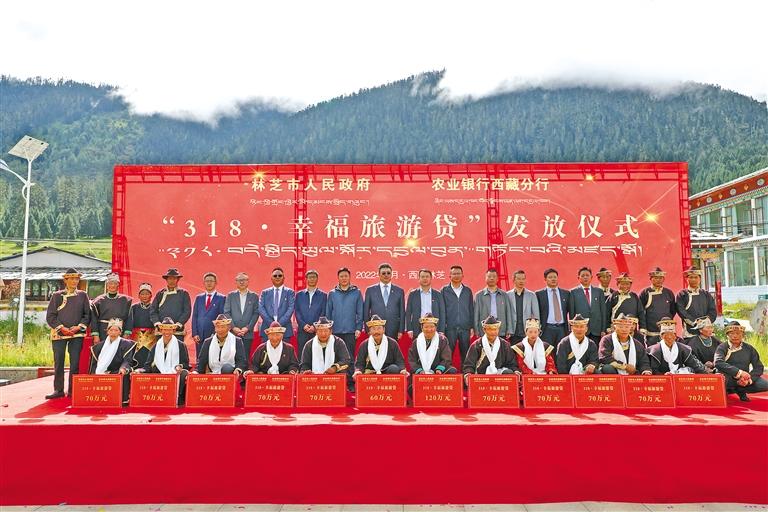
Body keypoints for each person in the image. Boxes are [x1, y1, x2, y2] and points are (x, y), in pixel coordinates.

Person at [45, 268, 91, 399]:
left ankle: (73, 390)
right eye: (71, 279)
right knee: (59, 362)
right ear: (65, 280)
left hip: (77, 334)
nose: (74, 281)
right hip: (59, 333)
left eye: (76, 279)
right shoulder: (57, 296)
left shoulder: (83, 295)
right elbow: (51, 316)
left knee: (75, 363)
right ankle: (58, 390)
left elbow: (87, 315)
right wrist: (62, 328)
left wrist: (78, 327)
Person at [325, 267, 364, 389]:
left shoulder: (356, 293)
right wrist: (328, 329)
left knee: (350, 357)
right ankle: (338, 382)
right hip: (335, 331)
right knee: (336, 357)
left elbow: (360, 312)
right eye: (341, 276)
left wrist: (358, 328)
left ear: (349, 277)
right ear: (338, 278)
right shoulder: (332, 293)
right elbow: (328, 313)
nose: (344, 278)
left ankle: (350, 383)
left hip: (350, 331)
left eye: (346, 276)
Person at [139, 317, 190, 405]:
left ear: (173, 331)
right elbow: (148, 365)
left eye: (169, 330)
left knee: (184, 373)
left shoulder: (181, 345)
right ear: (161, 331)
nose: (167, 332)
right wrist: (139, 371)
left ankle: (177, 396)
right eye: (165, 330)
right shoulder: (156, 345)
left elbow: (186, 364)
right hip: (159, 372)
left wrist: (179, 366)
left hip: (175, 371)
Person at [714, 321, 768, 401]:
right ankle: (727, 390)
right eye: (732, 333)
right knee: (721, 378)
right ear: (727, 335)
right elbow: (718, 362)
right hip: (728, 378)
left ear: (743, 335)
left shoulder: (749, 348)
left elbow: (759, 367)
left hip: (743, 379)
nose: (735, 336)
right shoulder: (722, 347)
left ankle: (741, 390)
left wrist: (749, 380)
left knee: (765, 385)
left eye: (738, 333)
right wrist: (739, 372)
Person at [88, 318, 136, 404]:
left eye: (116, 330)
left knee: (125, 373)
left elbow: (127, 360)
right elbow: (94, 364)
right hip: (102, 371)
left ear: (120, 332)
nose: (113, 332)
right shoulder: (98, 347)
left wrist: (123, 368)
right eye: (111, 330)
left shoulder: (126, 344)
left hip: (117, 370)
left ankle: (123, 399)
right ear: (107, 332)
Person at [462, 315, 518, 381]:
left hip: (499, 377)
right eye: (490, 329)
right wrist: (468, 374)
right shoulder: (476, 345)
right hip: (481, 377)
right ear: (484, 330)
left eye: (495, 329)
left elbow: (511, 363)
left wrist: (515, 371)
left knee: (508, 373)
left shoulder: (505, 345)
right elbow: (469, 364)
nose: (493, 332)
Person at [440, 265, 474, 364]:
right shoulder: (444, 290)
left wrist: (471, 326)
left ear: (462, 275)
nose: (456, 275)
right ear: (449, 276)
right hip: (450, 327)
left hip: (465, 327)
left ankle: (465, 372)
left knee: (466, 353)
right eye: (454, 274)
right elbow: (442, 310)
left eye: (458, 273)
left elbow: (470, 309)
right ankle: (447, 371)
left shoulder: (467, 291)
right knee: (447, 353)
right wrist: (442, 327)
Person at [363, 263, 406, 341]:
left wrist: (401, 330)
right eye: (383, 273)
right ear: (379, 274)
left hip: (394, 329)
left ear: (391, 274)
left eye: (388, 273)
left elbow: (402, 312)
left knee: (392, 348)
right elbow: (366, 312)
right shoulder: (370, 290)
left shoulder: (399, 291)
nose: (386, 275)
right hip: (375, 328)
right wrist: (367, 329)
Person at [223, 272, 260, 361]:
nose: (242, 282)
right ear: (236, 282)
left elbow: (256, 313)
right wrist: (233, 327)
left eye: (244, 280)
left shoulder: (254, 296)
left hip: (247, 333)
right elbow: (226, 312)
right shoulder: (231, 296)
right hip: (233, 333)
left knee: (245, 358)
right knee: (232, 358)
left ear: (248, 281)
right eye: (239, 280)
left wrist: (247, 328)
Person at [567, 266, 607, 344]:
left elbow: (603, 311)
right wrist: (572, 329)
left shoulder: (599, 292)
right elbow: (572, 313)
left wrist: (603, 329)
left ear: (591, 277)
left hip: (596, 329)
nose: (585, 277)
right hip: (580, 329)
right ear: (578, 278)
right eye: (583, 275)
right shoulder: (573, 292)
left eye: (587, 275)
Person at [676, 266, 716, 341]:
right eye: (691, 277)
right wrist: (695, 322)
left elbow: (712, 310)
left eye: (696, 277)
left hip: (706, 331)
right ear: (687, 279)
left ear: (700, 279)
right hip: (690, 332)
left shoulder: (706, 294)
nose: (693, 279)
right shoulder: (682, 294)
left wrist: (705, 323)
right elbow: (681, 311)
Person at [638, 267, 677, 346]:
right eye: (656, 278)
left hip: (666, 329)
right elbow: (640, 312)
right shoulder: (645, 293)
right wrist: (643, 327)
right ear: (651, 279)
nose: (659, 280)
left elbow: (673, 310)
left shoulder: (669, 292)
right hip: (651, 330)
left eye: (661, 278)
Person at [149, 268, 192, 340]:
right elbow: (153, 310)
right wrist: (157, 323)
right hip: (162, 330)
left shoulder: (184, 293)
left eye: (174, 278)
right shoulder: (160, 293)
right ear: (166, 279)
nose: (172, 281)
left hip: (177, 331)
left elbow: (187, 311)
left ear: (177, 280)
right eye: (170, 278)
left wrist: (178, 324)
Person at [89, 272, 132, 342]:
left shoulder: (126, 300)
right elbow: (94, 319)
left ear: (118, 285)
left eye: (115, 283)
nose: (113, 286)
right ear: (107, 285)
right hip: (103, 332)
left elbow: (129, 318)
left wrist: (126, 333)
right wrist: (96, 335)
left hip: (120, 331)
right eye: (110, 283)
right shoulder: (98, 301)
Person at [294, 269, 328, 357]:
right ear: (306, 279)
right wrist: (303, 325)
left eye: (314, 277)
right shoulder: (299, 295)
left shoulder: (323, 295)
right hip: (302, 330)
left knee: (317, 355)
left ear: (317, 279)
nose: (312, 279)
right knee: (302, 354)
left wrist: (315, 326)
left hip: (317, 331)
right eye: (310, 277)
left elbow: (323, 312)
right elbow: (297, 312)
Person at [474, 268, 513, 339]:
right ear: (485, 278)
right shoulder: (479, 295)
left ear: (497, 279)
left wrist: (509, 329)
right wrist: (476, 330)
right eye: (489, 276)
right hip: (485, 329)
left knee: (500, 346)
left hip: (501, 328)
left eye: (494, 276)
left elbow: (508, 313)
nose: (491, 278)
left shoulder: (504, 295)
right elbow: (476, 314)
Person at [258, 267, 296, 341]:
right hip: (267, 328)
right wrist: (272, 323)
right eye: (275, 276)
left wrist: (279, 324)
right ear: (271, 278)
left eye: (280, 275)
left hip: (284, 329)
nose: (277, 277)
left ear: (284, 278)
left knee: (284, 349)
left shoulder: (290, 292)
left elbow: (291, 308)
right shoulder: (265, 292)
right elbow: (261, 308)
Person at [125, 283, 156, 369]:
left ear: (151, 295)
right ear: (139, 296)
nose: (144, 296)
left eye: (147, 294)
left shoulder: (155, 307)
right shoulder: (134, 307)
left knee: (149, 355)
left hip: (151, 336)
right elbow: (129, 321)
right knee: (136, 356)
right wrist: (127, 333)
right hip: (136, 336)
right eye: (142, 294)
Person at [191, 272, 226, 351]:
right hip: (199, 336)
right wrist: (195, 333)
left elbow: (221, 318)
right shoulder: (199, 298)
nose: (209, 283)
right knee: (200, 357)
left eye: (211, 281)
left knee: (213, 356)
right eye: (207, 281)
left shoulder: (221, 298)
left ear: (216, 283)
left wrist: (216, 333)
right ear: (204, 283)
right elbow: (195, 316)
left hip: (214, 335)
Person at [536, 267, 570, 347]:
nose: (553, 279)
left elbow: (570, 310)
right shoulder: (539, 294)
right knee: (547, 351)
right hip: (547, 328)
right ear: (545, 279)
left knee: (561, 350)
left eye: (555, 277)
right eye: (550, 277)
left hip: (562, 328)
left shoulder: (566, 293)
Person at [406, 269, 446, 337]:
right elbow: (408, 312)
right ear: (419, 279)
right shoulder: (413, 294)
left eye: (427, 276)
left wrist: (441, 330)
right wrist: (409, 329)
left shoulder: (438, 294)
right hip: (417, 327)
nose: (425, 279)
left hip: (434, 327)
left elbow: (442, 313)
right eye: (422, 277)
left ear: (431, 278)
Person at [507, 270, 540, 344]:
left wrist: (536, 330)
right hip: (513, 332)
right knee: (514, 350)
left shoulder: (531, 295)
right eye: (519, 279)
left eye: (523, 279)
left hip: (527, 332)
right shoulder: (508, 295)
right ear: (513, 280)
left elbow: (536, 314)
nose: (521, 281)